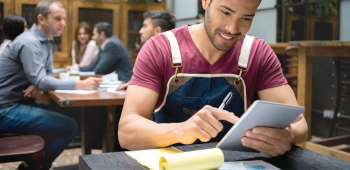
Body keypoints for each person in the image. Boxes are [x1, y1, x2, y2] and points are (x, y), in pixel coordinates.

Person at [118, 0, 308, 157]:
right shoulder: (160, 48)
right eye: (225, 12)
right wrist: (180, 130)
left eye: (246, 18)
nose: (232, 29)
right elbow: (126, 132)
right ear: (205, 2)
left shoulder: (258, 53)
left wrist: (288, 135)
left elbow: (300, 123)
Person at [0, 0, 101, 169]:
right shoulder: (30, 42)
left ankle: (33, 164)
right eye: (57, 18)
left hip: (19, 102)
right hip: (6, 109)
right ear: (41, 19)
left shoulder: (46, 40)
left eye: (64, 18)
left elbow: (45, 75)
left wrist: (39, 83)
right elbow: (41, 80)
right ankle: (33, 167)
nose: (63, 23)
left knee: (69, 117)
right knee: (69, 126)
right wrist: (79, 84)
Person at [117, 10, 175, 90]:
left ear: (157, 31)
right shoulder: (174, 51)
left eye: (144, 26)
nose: (140, 31)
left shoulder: (152, 54)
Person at [66, 22, 133, 82]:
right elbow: (93, 67)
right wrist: (74, 68)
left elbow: (99, 70)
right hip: (113, 80)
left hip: (123, 81)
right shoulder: (103, 45)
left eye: (94, 34)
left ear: (102, 35)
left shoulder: (112, 45)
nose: (92, 37)